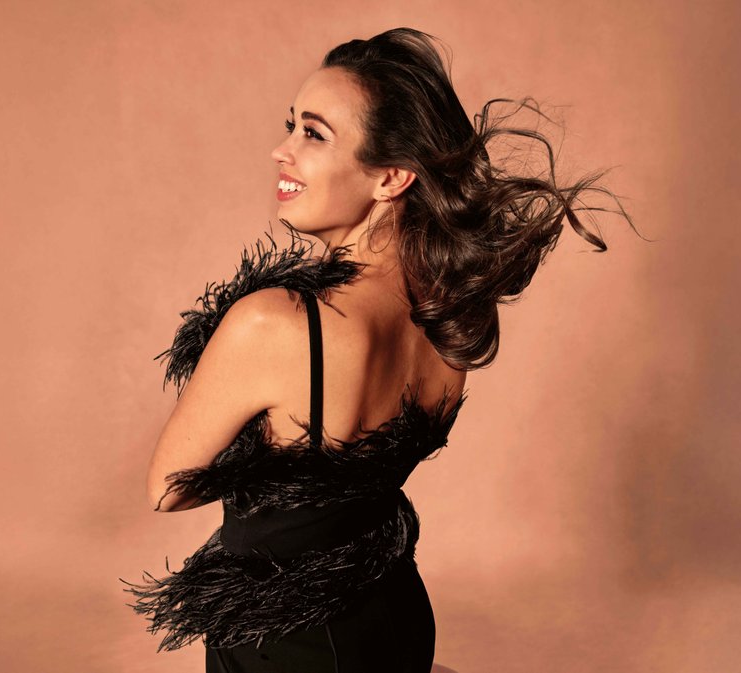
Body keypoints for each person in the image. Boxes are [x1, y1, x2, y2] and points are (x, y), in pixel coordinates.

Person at [121, 27, 641, 672]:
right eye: (291, 126)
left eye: (314, 134)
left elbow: (169, 490)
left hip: (286, 643)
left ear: (392, 176)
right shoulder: (450, 315)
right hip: (396, 618)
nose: (281, 150)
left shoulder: (272, 322)